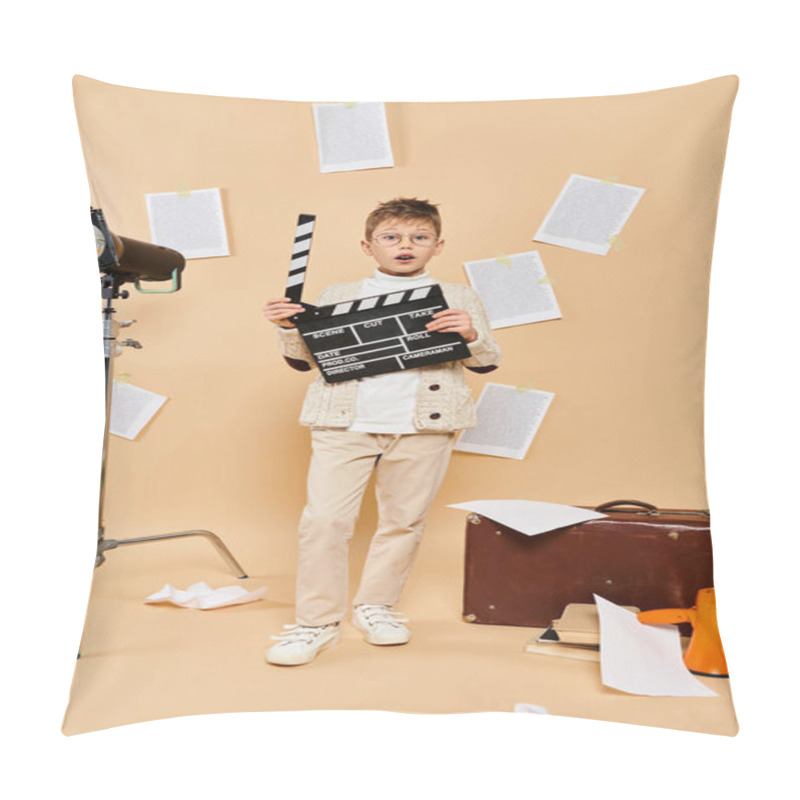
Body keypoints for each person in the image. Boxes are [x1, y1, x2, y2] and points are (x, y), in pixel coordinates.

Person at [261, 198, 501, 666]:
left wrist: (471, 334)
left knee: (403, 521)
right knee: (324, 521)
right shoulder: (337, 293)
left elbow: (488, 359)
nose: (405, 245)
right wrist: (289, 327)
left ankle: (376, 606)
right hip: (344, 421)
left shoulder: (460, 296)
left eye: (419, 237)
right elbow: (302, 360)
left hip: (424, 424)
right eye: (391, 237)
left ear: (438, 245)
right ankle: (316, 623)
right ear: (368, 246)